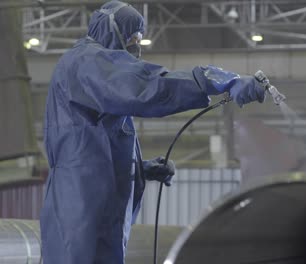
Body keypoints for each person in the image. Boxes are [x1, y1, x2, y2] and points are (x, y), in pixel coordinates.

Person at [39, 1, 265, 263]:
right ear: (112, 31)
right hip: (79, 208)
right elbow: (146, 88)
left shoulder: (94, 70)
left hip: (91, 201)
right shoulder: (87, 62)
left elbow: (93, 146)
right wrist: (216, 80)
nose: (136, 48)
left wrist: (139, 168)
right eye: (132, 39)